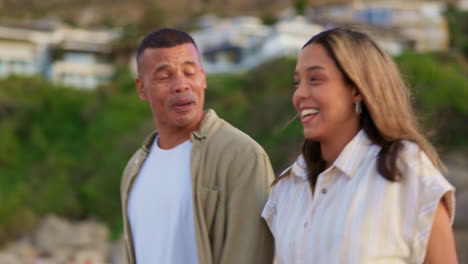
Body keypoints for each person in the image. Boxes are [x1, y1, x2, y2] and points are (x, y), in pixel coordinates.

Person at [261, 28, 458, 263]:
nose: (299, 94)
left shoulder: (404, 168)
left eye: (315, 79)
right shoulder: (286, 190)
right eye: (296, 83)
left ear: (357, 88)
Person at [120, 28, 275, 264]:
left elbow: (250, 255)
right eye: (164, 76)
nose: (181, 85)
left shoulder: (242, 156)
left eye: (189, 72)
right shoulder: (134, 169)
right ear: (141, 88)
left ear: (203, 77)